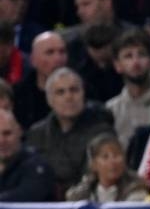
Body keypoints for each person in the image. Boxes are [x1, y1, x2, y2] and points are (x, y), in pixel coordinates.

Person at [26, 67, 115, 195]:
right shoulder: (36, 134)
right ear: (49, 100)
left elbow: (99, 176)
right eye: (60, 92)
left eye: (74, 90)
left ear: (83, 94)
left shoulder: (102, 133)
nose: (69, 97)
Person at [105, 29, 150, 147]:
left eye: (142, 54)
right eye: (128, 56)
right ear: (117, 65)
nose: (136, 62)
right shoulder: (111, 110)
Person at [65, 132, 149, 202]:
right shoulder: (82, 194)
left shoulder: (136, 191)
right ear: (93, 164)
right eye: (105, 157)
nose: (112, 161)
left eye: (116, 155)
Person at [0, 107, 54, 201]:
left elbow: (26, 196)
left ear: (19, 132)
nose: (1, 141)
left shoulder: (37, 166)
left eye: (7, 133)